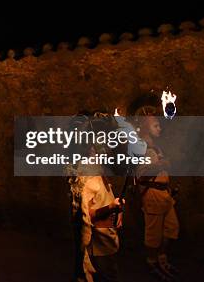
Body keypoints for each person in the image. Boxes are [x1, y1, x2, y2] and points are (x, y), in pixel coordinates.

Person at [69, 113, 124, 282]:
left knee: (111, 274)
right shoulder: (86, 176)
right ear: (90, 149)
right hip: (97, 244)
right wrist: (111, 208)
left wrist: (118, 210)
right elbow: (85, 217)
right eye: (102, 145)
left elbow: (106, 197)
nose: (107, 149)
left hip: (109, 238)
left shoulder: (99, 171)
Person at [134, 107, 179, 281]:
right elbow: (141, 174)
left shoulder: (156, 147)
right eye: (155, 125)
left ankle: (162, 258)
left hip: (165, 195)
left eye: (159, 125)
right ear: (145, 127)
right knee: (153, 234)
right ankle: (152, 262)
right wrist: (161, 165)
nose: (159, 128)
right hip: (152, 194)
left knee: (171, 229)